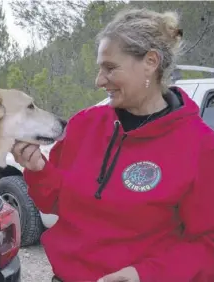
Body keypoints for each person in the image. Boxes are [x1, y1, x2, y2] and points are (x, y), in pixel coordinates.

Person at [12, 8, 214, 282]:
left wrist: (145, 275)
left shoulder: (199, 145)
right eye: (99, 68)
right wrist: (38, 169)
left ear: (151, 62)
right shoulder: (85, 124)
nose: (99, 80)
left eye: (110, 68)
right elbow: (54, 202)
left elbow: (206, 245)